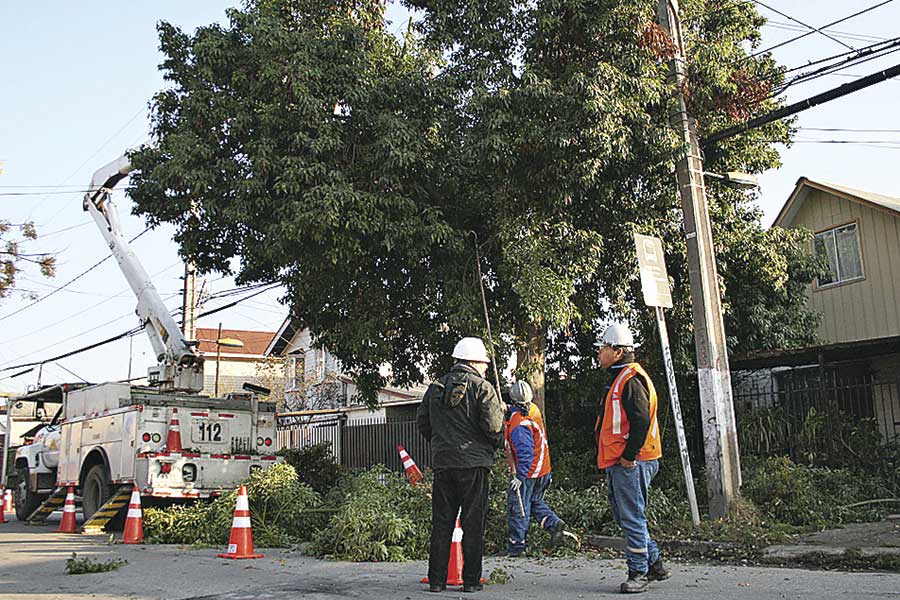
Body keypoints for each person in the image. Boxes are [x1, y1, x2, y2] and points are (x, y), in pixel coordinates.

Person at [416, 336, 505, 593]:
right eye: (484, 362)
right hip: (474, 464)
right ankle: (471, 581)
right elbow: (493, 427)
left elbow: (423, 423)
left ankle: (436, 581)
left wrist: (442, 442)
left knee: (442, 522)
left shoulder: (435, 388)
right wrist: (497, 443)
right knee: (473, 522)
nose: (486, 367)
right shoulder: (483, 387)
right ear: (474, 361)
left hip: (444, 464)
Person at [594, 323, 670, 594]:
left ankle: (638, 572)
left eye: (603, 348)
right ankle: (654, 562)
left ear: (617, 351)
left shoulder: (630, 379)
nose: (599, 353)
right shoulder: (622, 377)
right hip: (623, 461)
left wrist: (628, 457)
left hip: (631, 461)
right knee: (627, 515)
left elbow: (640, 420)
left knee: (631, 516)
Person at [504, 380, 566, 557]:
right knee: (534, 501)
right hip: (543, 469)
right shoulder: (534, 410)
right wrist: (507, 409)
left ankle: (517, 546)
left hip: (529, 471)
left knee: (518, 505)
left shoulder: (518, 426)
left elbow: (525, 453)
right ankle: (553, 524)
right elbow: (519, 410)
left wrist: (519, 477)